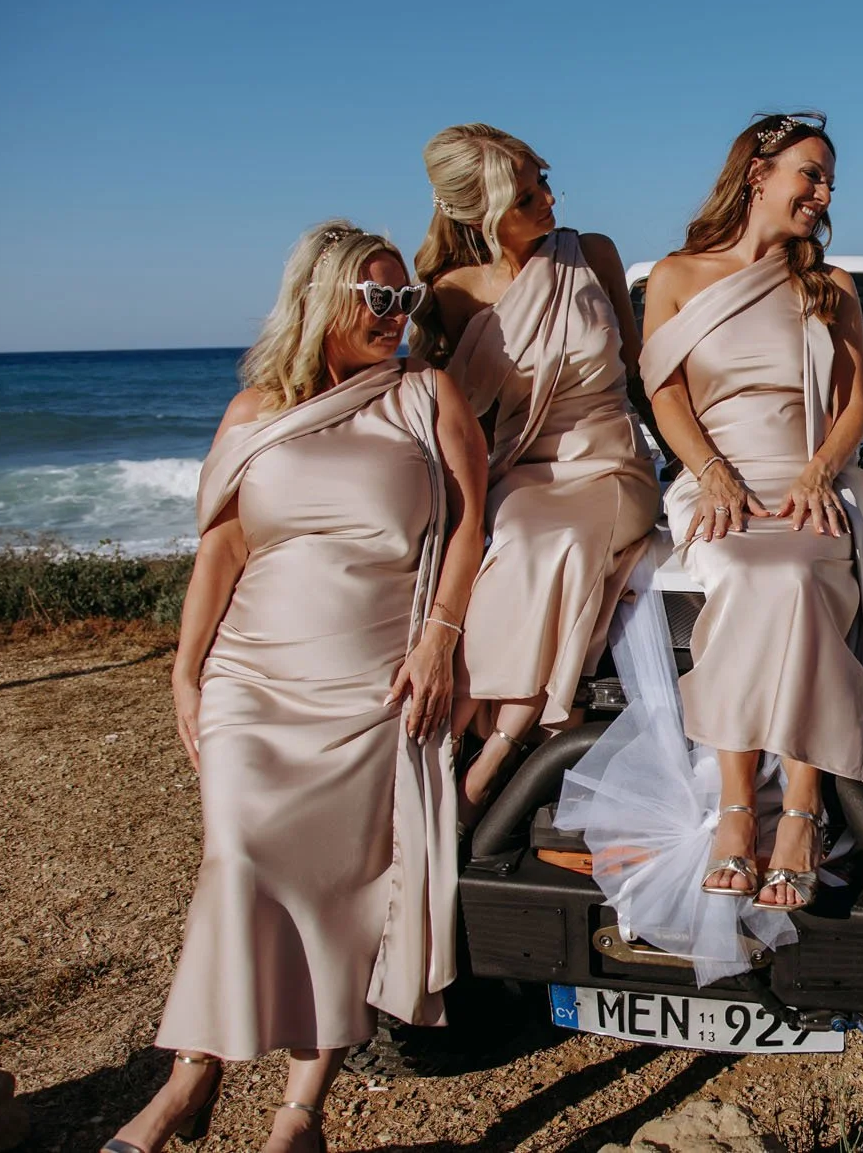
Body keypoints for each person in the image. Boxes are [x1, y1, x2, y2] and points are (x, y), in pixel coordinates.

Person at [101, 223, 486, 1153]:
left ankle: (297, 1115)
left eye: (407, 302)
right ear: (320, 299)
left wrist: (439, 639)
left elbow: (471, 523)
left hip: (370, 685)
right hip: (253, 676)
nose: (397, 318)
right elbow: (223, 546)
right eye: (377, 299)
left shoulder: (424, 396)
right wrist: (185, 669)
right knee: (239, 863)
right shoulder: (252, 411)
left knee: (341, 889)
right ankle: (191, 1076)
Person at [637, 112, 863, 909]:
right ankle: (734, 807)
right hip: (716, 473)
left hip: (810, 475)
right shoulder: (676, 276)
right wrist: (711, 471)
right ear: (758, 174)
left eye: (828, 181)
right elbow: (666, 394)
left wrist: (824, 470)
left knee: (796, 574)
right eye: (812, 173)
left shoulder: (831, 286)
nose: (823, 193)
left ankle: (800, 809)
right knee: (731, 567)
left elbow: (855, 404)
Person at [407, 123, 659, 823]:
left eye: (544, 180)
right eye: (526, 195)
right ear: (479, 213)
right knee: (510, 532)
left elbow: (642, 376)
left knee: (553, 542)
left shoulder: (591, 254)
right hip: (523, 470)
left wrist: (705, 465)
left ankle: (489, 758)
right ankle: (448, 733)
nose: (550, 198)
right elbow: (432, 416)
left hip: (612, 466)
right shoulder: (452, 296)